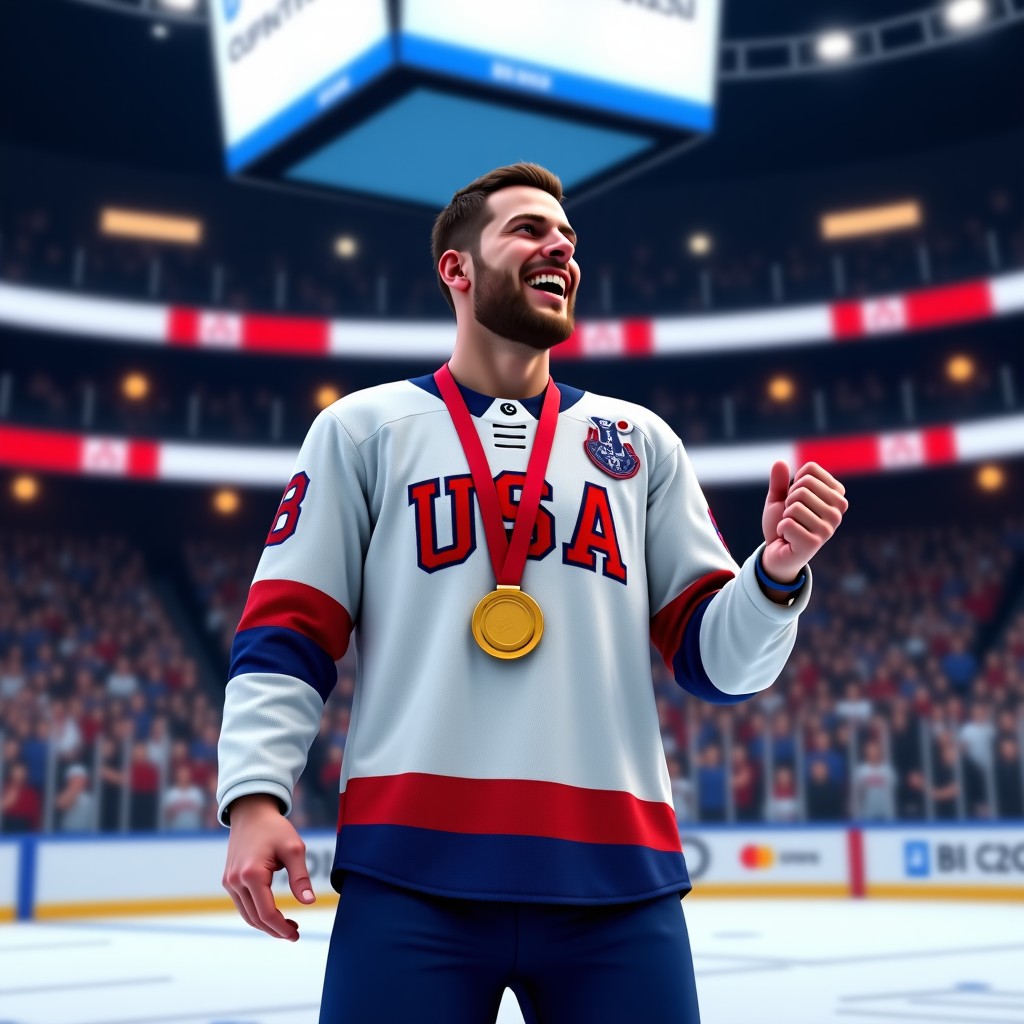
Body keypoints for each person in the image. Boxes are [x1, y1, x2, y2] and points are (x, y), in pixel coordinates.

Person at [217, 163, 849, 1023]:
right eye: (528, 229)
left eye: (569, 238)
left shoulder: (639, 442)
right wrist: (255, 796)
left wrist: (774, 575)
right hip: (410, 876)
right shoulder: (362, 429)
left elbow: (715, 664)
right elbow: (287, 631)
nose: (560, 247)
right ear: (457, 269)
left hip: (616, 876)